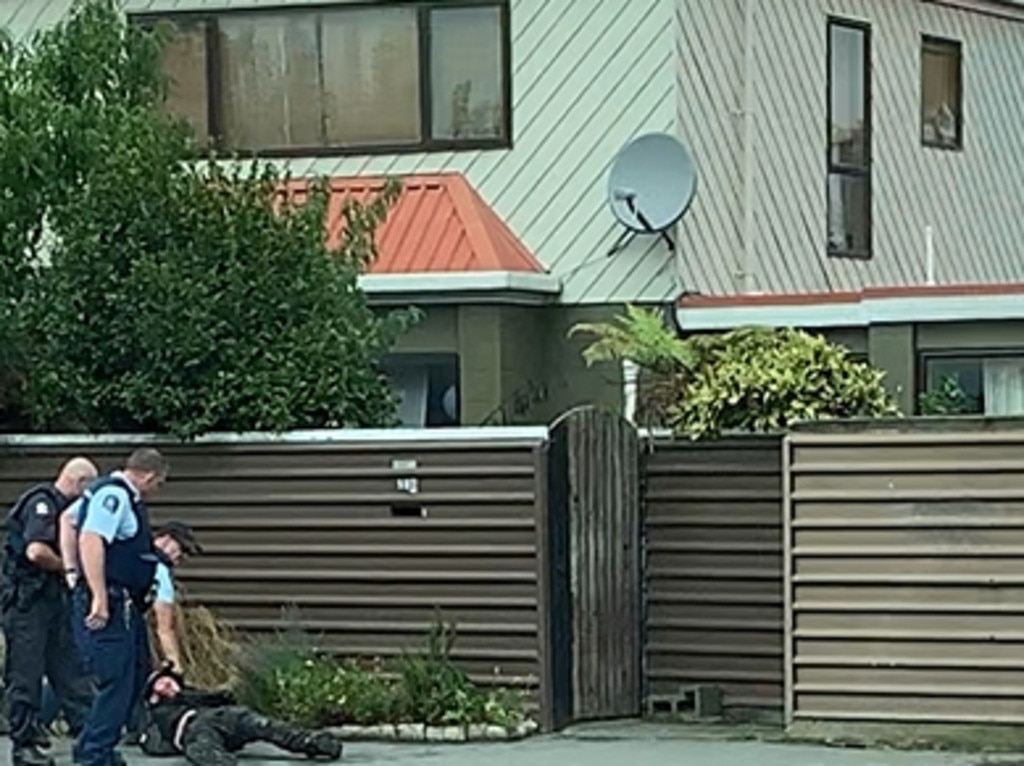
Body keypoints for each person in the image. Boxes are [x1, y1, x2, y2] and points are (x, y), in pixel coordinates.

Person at [39, 520, 203, 740]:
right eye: (180, 552)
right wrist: (175, 665)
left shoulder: (126, 552)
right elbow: (165, 627)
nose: (178, 560)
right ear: (166, 540)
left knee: (72, 669)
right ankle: (130, 728)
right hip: (115, 620)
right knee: (128, 669)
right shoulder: (158, 569)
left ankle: (38, 721)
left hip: (83, 610)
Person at [73, 447, 169, 766]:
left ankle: (95, 745)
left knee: (134, 675)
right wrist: (98, 595)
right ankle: (93, 756)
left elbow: (67, 521)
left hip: (123, 604)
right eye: (158, 484)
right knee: (116, 681)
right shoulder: (113, 496)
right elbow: (90, 538)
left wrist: (72, 573)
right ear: (150, 476)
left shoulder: (112, 495)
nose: (157, 491)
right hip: (111, 603)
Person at [1, 457, 99, 766]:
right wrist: (71, 569)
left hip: (54, 601)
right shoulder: (42, 504)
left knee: (72, 672)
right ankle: (24, 746)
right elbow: (36, 551)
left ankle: (90, 739)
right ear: (77, 482)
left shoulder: (64, 510)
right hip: (27, 604)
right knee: (26, 674)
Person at [138, 663, 342, 765]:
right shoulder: (158, 713)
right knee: (204, 745)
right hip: (193, 727)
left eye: (170, 681)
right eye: (162, 683)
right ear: (154, 695)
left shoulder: (195, 695)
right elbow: (150, 742)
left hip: (224, 717)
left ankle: (309, 742)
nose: (168, 684)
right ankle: (216, 758)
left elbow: (223, 697)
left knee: (263, 724)